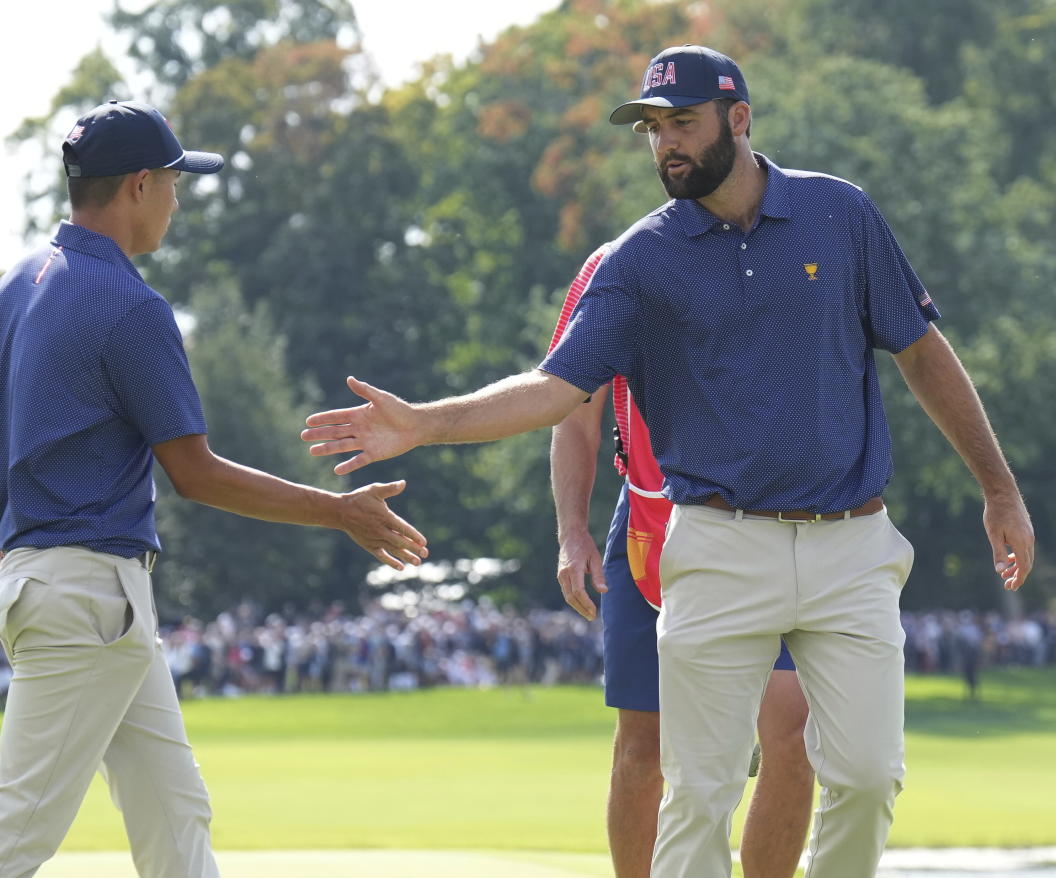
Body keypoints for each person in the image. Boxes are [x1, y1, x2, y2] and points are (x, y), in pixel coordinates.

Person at [300, 45, 1033, 878]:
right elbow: (555, 390)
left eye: (681, 123)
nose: (665, 145)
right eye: (652, 129)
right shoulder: (639, 260)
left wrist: (997, 489)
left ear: (740, 120)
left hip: (853, 545)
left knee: (867, 779)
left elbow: (924, 354)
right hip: (718, 548)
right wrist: (427, 424)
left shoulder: (842, 215)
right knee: (700, 794)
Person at [0, 99, 427, 878]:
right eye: (174, 183)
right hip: (91, 596)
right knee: (20, 819)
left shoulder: (9, 289)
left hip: (79, 597)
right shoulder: (131, 306)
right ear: (137, 186)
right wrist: (337, 511)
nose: (177, 202)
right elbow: (196, 474)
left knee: (173, 808)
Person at [549, 248, 813, 877]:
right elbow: (570, 407)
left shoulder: (790, 248)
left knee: (793, 733)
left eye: (682, 137)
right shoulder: (614, 266)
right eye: (661, 139)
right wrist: (570, 530)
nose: (670, 145)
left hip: (769, 523)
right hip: (648, 522)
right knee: (644, 749)